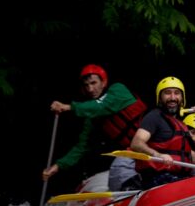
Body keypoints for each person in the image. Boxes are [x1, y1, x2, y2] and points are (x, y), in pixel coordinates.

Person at [41, 64, 147, 192]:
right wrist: (57, 166)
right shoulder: (92, 117)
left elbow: (101, 106)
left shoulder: (118, 90)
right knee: (120, 165)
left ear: (104, 82)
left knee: (122, 163)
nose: (90, 89)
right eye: (86, 85)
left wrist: (69, 107)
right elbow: (82, 147)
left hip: (153, 143)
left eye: (94, 83)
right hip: (134, 154)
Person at [129, 76, 195, 189]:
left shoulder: (181, 124)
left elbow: (189, 154)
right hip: (158, 179)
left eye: (177, 93)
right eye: (167, 93)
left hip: (177, 178)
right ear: (160, 97)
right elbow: (136, 143)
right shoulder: (154, 117)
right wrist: (158, 155)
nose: (172, 97)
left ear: (182, 98)